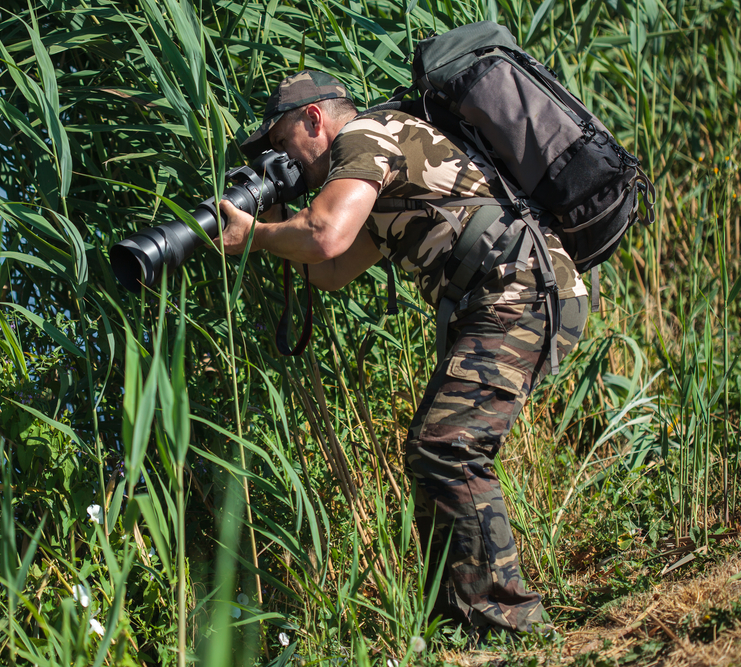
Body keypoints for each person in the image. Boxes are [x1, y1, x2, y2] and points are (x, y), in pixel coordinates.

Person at [216, 69, 589, 640]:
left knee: (447, 445)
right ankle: (462, 620)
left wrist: (257, 236)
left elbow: (325, 236)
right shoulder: (377, 162)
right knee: (435, 447)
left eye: (280, 142)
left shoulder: (366, 135)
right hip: (515, 293)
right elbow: (334, 269)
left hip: (521, 289)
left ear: (314, 118)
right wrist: (267, 229)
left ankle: (508, 625)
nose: (281, 161)